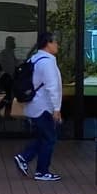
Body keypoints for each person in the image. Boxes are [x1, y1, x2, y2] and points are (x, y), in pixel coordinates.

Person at [13, 29, 64, 183]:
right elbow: (52, 86)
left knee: (43, 137)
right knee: (49, 138)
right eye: (55, 42)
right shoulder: (47, 62)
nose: (57, 45)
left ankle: (27, 160)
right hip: (43, 107)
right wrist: (57, 108)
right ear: (48, 44)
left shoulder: (34, 59)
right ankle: (39, 169)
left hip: (34, 106)